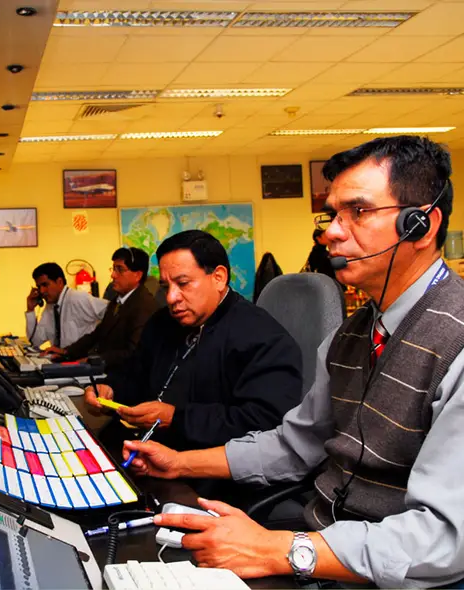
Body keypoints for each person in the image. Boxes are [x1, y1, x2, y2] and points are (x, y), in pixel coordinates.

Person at [123, 135, 464, 588]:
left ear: (420, 225)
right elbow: (296, 444)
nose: (332, 233)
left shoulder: (456, 340)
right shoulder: (351, 336)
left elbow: (443, 538)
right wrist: (181, 463)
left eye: (358, 212)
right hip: (322, 548)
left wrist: (279, 550)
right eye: (333, 215)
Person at [84, 230, 303, 456]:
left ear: (218, 278)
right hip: (140, 448)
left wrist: (175, 418)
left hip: (204, 466)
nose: (171, 298)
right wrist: (110, 390)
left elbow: (264, 423)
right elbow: (135, 375)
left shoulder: (262, 336)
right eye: (165, 287)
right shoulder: (161, 323)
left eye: (183, 283)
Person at [46, 247, 159, 368]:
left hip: (125, 373)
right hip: (106, 368)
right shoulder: (117, 300)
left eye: (120, 270)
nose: (113, 275)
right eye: (113, 269)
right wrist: (66, 352)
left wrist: (94, 360)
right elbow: (97, 334)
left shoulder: (144, 306)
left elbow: (133, 352)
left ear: (138, 275)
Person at [25, 262, 106, 349]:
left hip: (80, 356)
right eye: (39, 287)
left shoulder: (78, 299)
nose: (41, 291)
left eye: (45, 285)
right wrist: (30, 310)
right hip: (60, 356)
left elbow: (112, 311)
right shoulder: (51, 307)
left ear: (59, 282)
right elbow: (35, 341)